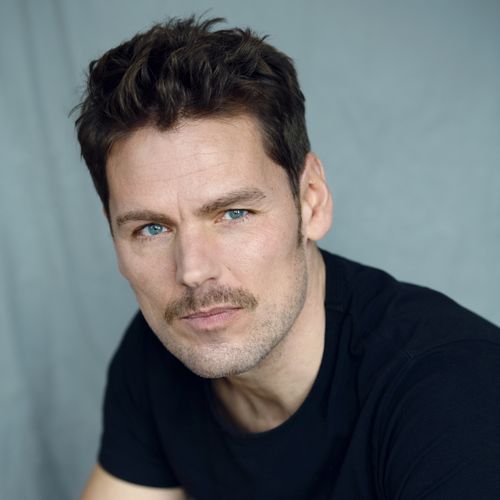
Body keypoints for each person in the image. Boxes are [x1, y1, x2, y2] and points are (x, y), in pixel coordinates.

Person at [74, 16, 500, 500]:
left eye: (234, 213)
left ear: (311, 201)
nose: (192, 271)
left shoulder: (455, 392)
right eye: (151, 228)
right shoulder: (160, 351)